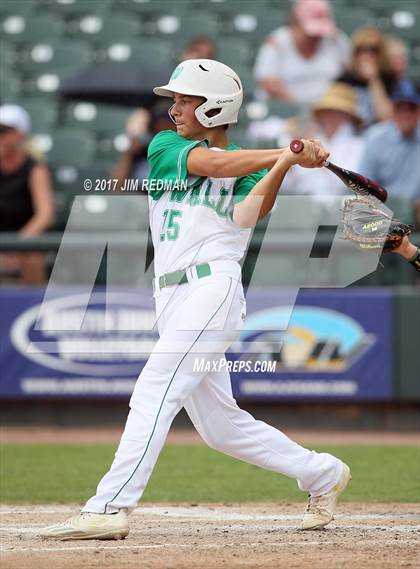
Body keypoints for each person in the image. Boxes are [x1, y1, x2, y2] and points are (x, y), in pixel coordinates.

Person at [40, 58, 353, 541]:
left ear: (215, 108)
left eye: (187, 100)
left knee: (153, 388)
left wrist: (286, 165)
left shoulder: (254, 168)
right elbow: (211, 163)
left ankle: (108, 507)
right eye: (177, 99)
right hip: (170, 295)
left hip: (213, 289)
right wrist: (282, 152)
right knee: (220, 427)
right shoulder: (167, 145)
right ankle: (323, 473)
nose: (175, 108)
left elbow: (249, 213)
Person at [253, 0, 350, 104]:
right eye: (310, 34)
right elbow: (268, 82)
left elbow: (351, 74)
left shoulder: (336, 40)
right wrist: (300, 110)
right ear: (296, 23)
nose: (316, 38)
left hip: (327, 112)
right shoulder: (277, 42)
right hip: (285, 112)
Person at [0, 104, 55, 285]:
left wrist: (16, 246)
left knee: (31, 256)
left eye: (4, 131)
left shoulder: (35, 169)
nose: (1, 136)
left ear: (20, 134)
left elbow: (45, 215)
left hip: (24, 239)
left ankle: (34, 308)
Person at [282, 82, 364, 196]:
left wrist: (319, 157)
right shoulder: (307, 141)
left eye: (338, 112)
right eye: (328, 111)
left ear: (347, 116)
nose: (331, 116)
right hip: (305, 205)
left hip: (341, 207)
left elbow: (344, 185)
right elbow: (287, 185)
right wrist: (291, 155)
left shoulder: (358, 146)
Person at [358, 80, 420, 203]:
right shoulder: (376, 138)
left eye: (411, 108)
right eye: (400, 108)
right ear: (392, 109)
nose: (405, 113)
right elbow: (363, 185)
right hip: (383, 207)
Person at [337, 27, 398, 126]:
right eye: (360, 50)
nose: (366, 55)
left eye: (373, 50)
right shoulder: (344, 80)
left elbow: (386, 118)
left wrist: (373, 79)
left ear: (382, 54)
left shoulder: (390, 79)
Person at [112, 102, 175, 192]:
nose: (163, 128)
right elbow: (117, 185)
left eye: (169, 123)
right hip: (140, 202)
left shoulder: (183, 151)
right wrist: (129, 153)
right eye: (159, 123)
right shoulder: (141, 150)